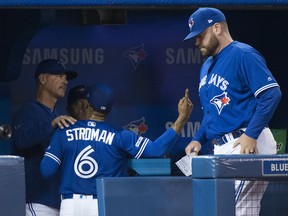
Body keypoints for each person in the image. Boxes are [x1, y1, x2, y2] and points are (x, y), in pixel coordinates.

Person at [183, 7, 282, 216]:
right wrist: (198, 138)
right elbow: (212, 113)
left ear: (217, 28)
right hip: (223, 147)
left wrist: (251, 134)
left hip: (246, 142)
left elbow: (271, 94)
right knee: (235, 211)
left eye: (201, 35)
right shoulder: (207, 66)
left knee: (234, 211)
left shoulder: (243, 54)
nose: (196, 42)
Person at [40, 83, 193, 216]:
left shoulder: (64, 132)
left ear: (87, 103)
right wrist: (182, 119)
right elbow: (157, 150)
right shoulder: (120, 136)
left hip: (70, 206)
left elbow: (47, 170)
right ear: (111, 109)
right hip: (101, 205)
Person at [11, 59, 78, 216]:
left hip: (55, 200)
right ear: (43, 79)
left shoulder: (55, 115)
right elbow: (21, 141)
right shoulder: (29, 110)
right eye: (59, 75)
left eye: (66, 78)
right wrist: (51, 125)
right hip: (37, 200)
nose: (65, 81)